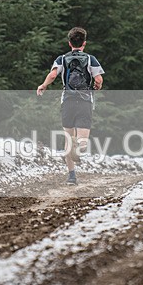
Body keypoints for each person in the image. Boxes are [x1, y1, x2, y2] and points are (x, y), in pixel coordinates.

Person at [36, 27, 104, 185]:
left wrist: (43, 85)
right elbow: (98, 79)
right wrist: (97, 86)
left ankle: (71, 176)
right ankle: (78, 147)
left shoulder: (62, 58)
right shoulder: (91, 59)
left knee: (68, 138)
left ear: (69, 43)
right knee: (83, 141)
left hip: (67, 101)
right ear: (84, 43)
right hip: (85, 101)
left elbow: (53, 75)